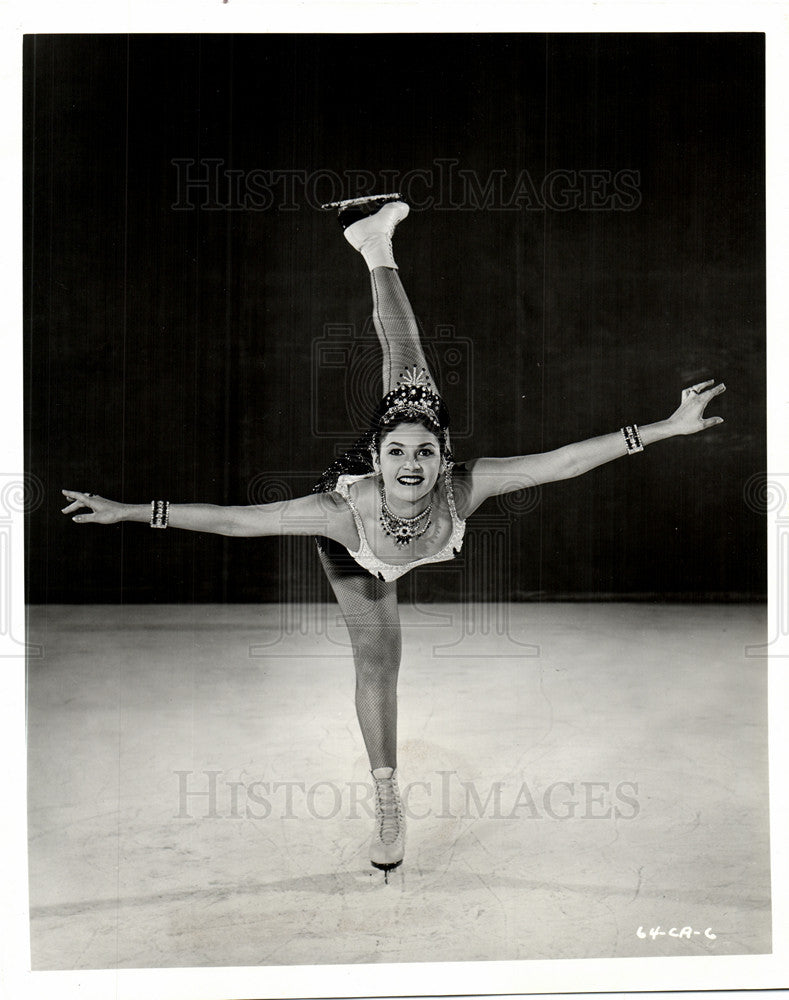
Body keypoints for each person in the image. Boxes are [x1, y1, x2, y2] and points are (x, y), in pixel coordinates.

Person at [61, 196, 726, 878]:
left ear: (443, 458)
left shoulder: (464, 484)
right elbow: (238, 520)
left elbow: (560, 462)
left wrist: (665, 428)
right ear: (374, 460)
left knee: (409, 371)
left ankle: (374, 243)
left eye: (424, 454)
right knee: (378, 665)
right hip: (361, 556)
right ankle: (387, 800)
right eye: (398, 454)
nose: (411, 465)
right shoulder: (338, 512)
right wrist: (131, 511)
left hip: (412, 456)